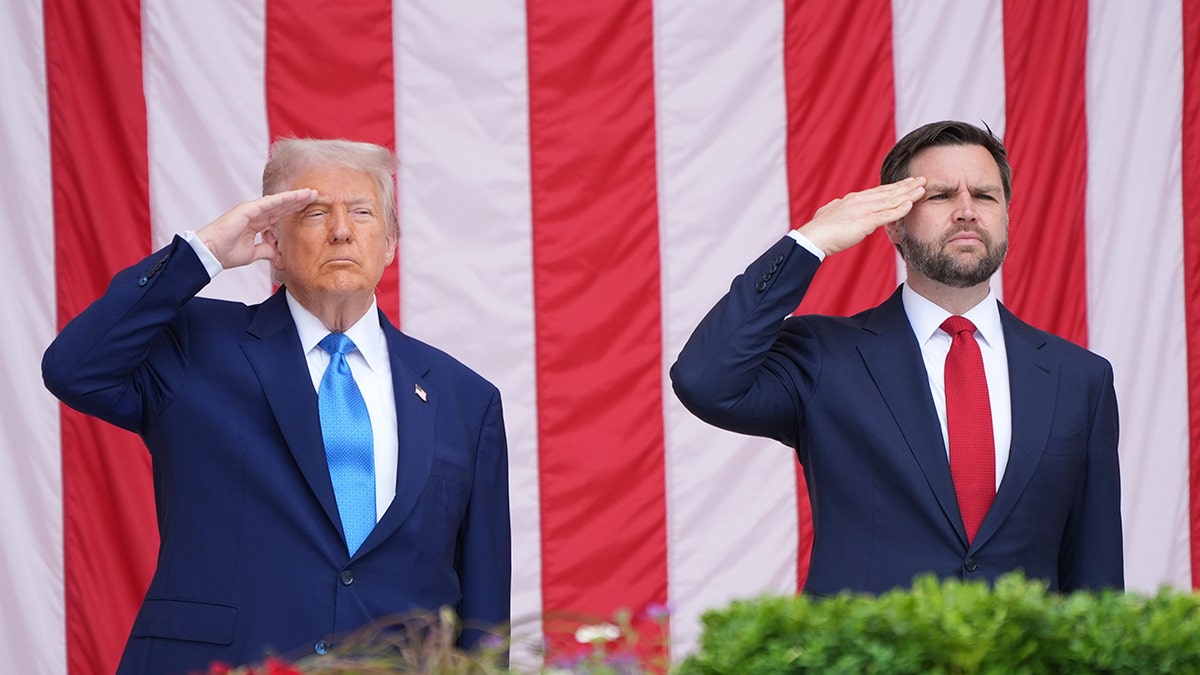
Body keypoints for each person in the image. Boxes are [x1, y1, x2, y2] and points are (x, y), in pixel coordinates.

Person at [42, 138, 511, 674]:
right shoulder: (196, 345)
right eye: (314, 212)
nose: (341, 229)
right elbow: (74, 368)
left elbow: (482, 619)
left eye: (361, 212)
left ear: (391, 242)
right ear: (273, 243)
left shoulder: (466, 400)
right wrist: (205, 253)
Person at [671, 120, 1122, 596]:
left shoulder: (1079, 378)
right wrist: (811, 242)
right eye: (942, 195)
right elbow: (704, 378)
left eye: (986, 196)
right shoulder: (825, 355)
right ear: (894, 223)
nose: (967, 211)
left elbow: (1096, 580)